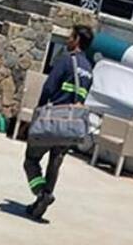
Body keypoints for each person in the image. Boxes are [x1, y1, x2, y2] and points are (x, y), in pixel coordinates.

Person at [22, 24, 94, 223]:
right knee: (55, 163)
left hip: (53, 120)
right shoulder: (89, 69)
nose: (67, 40)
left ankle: (41, 194)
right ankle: (40, 206)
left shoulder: (66, 60)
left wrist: (38, 113)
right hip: (71, 126)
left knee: (31, 160)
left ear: (77, 40)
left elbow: (48, 88)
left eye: (71, 36)